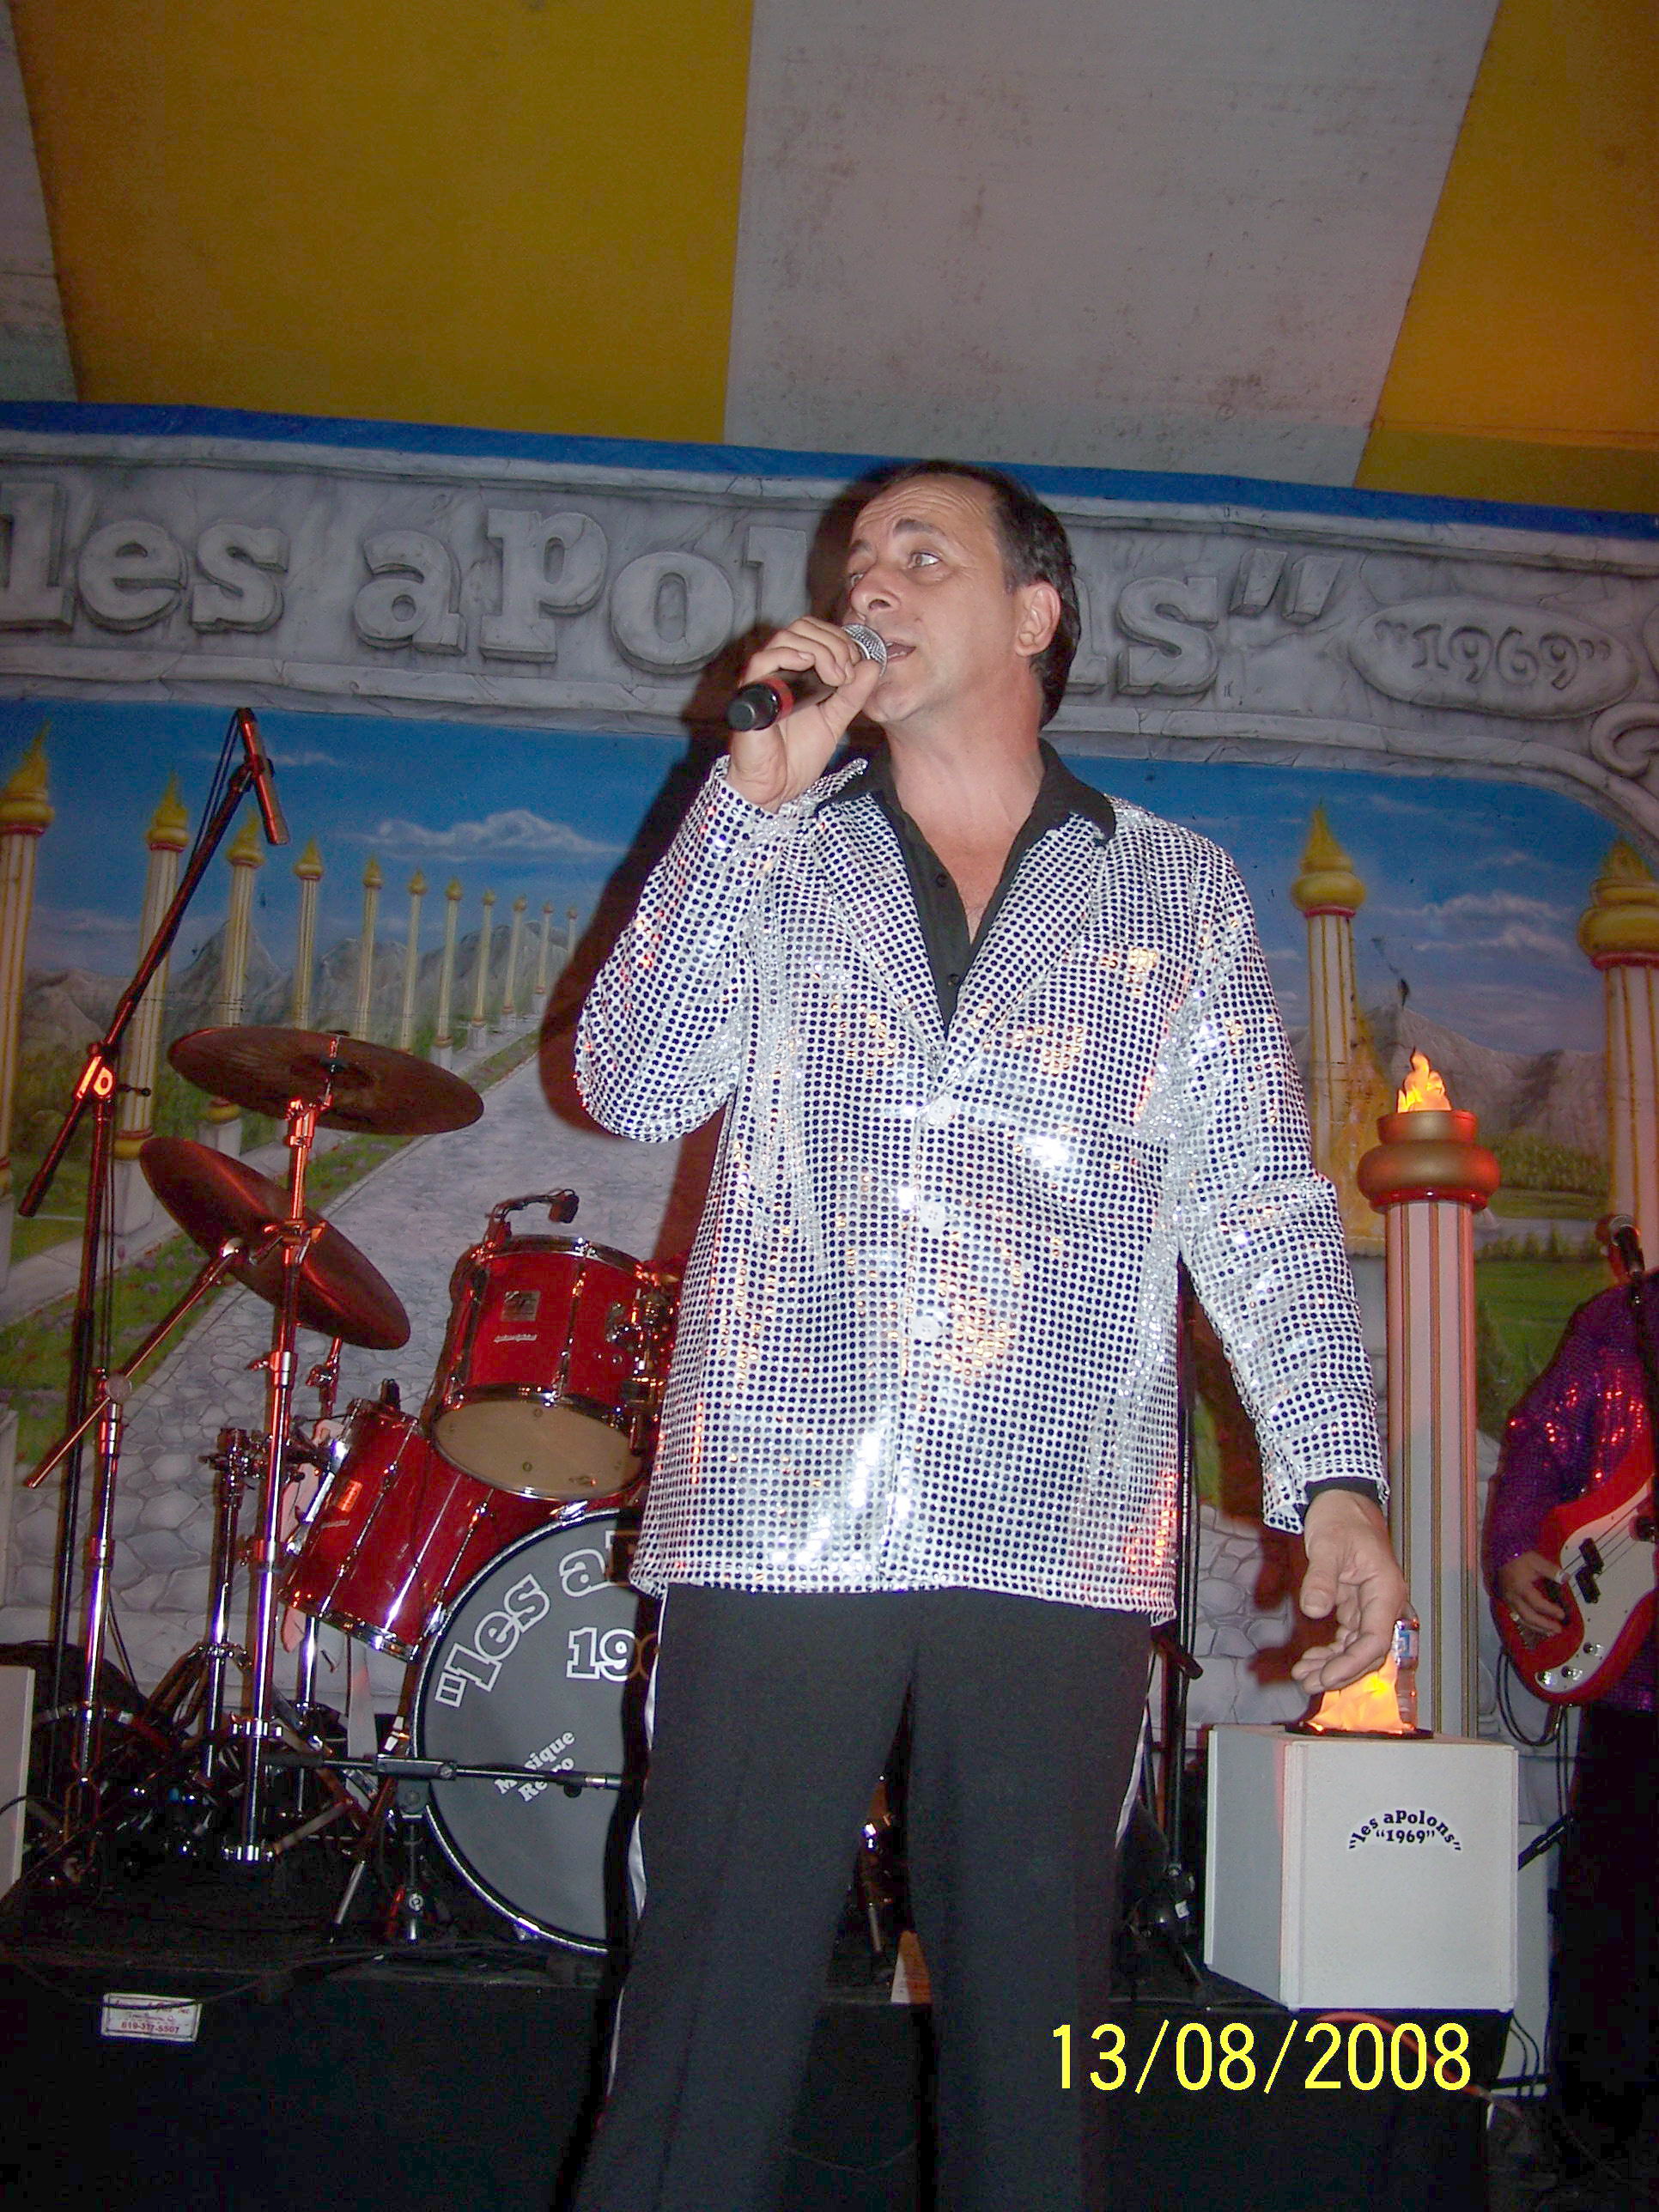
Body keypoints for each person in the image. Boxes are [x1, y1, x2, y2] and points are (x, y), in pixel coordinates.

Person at [572, 460, 1406, 2210]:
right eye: (856, 557)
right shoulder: (780, 840)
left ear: (1036, 613)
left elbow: (1261, 1204)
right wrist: (740, 809)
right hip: (778, 1508)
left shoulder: (1173, 891)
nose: (870, 579)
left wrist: (1334, 1473)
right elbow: (632, 1083)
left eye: (920, 552)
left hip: (1056, 1521)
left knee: (1035, 2057)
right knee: (702, 2025)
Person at [1486, 1267, 1658, 2177]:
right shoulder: (1623, 1320)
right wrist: (1516, 1548)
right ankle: (1599, 2149)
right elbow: (1540, 1441)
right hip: (1635, 1685)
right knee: (1615, 1924)